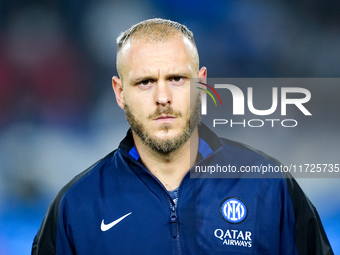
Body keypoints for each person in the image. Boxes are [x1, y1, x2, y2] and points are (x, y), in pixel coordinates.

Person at [32, 18, 333, 255]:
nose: (163, 97)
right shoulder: (76, 206)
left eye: (176, 78)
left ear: (201, 83)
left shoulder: (269, 188)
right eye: (145, 82)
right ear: (120, 92)